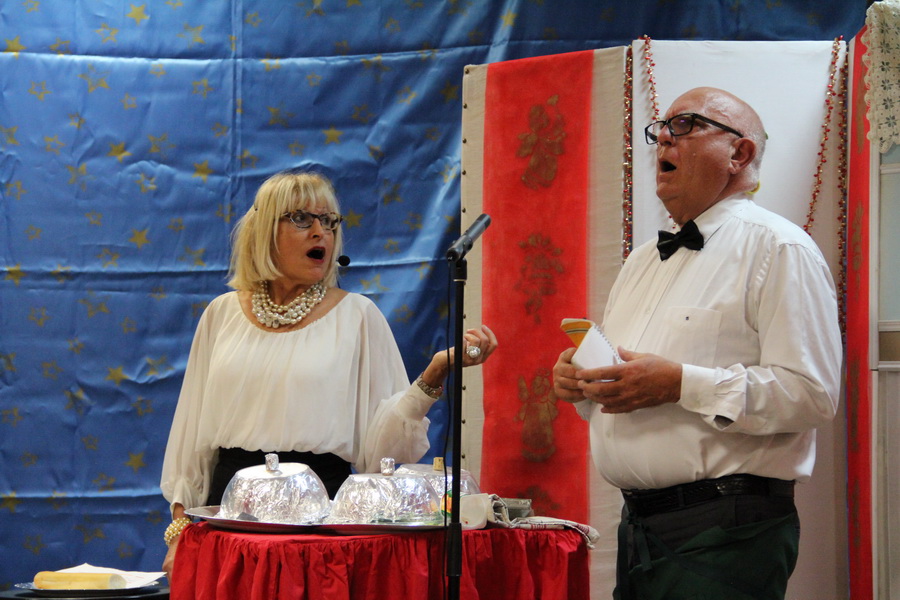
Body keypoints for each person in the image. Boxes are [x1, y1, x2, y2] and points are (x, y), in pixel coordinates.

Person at [552, 87, 842, 600]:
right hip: (638, 526)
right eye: (661, 128)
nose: (664, 137)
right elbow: (630, 388)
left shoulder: (779, 247)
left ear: (739, 153)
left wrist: (681, 384)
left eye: (685, 125)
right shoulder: (642, 260)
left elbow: (811, 394)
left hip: (727, 529)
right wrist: (587, 383)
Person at [159, 170, 497, 578]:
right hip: (229, 531)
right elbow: (191, 437)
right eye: (302, 219)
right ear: (264, 231)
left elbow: (382, 456)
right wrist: (179, 531)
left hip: (318, 534)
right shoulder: (221, 314)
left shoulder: (358, 317)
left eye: (330, 221)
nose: (321, 232)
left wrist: (434, 374)